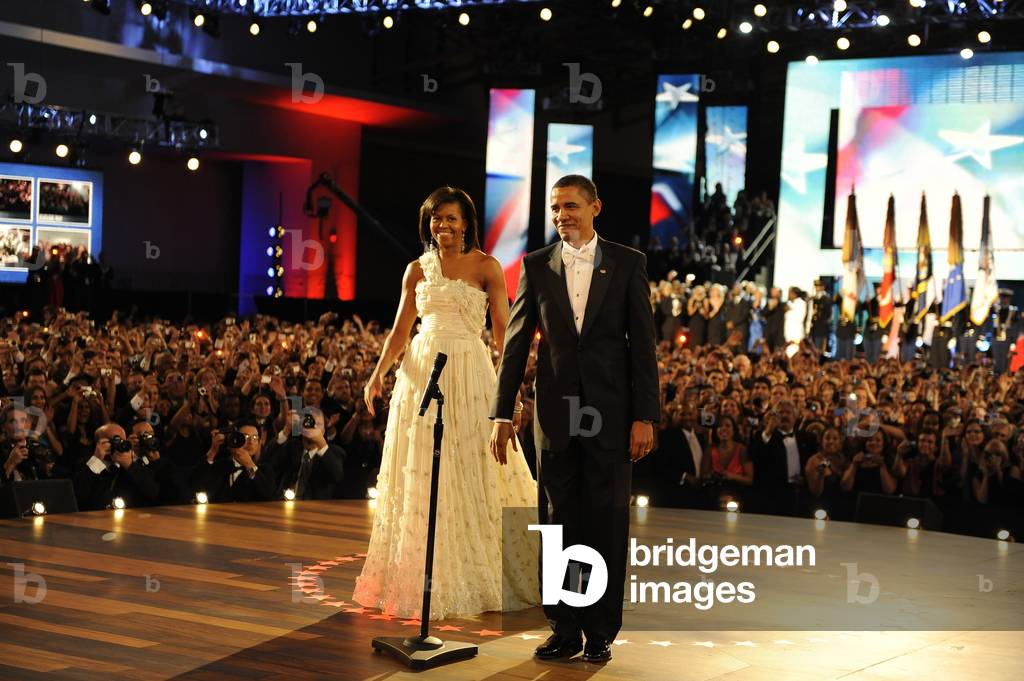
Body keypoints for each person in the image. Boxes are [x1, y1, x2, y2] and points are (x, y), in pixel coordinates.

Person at [490, 175, 660, 665]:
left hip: (610, 417)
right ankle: (563, 627)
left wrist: (646, 415)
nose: (562, 214)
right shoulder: (535, 266)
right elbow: (517, 342)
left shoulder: (629, 264)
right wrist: (504, 411)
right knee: (557, 525)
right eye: (555, 208)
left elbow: (642, 347)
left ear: (595, 207)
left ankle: (601, 631)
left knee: (604, 524)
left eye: (570, 206)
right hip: (556, 418)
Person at [353, 187, 539, 620]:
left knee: (470, 466)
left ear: (467, 222)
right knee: (419, 473)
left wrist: (509, 394)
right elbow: (401, 329)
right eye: (437, 219)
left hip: (470, 375)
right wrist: (379, 373)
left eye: (452, 219)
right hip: (421, 374)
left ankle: (481, 568)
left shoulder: (488, 267)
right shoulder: (416, 269)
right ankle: (421, 574)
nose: (444, 226)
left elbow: (502, 333)